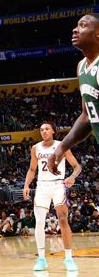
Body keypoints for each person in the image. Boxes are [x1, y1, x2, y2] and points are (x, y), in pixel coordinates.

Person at [24, 122, 81, 272]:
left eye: (47, 129)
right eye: (41, 130)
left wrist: (73, 177)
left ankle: (68, 258)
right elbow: (32, 169)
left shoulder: (62, 145)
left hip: (58, 185)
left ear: (53, 131)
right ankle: (41, 258)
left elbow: (77, 166)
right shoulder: (35, 148)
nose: (44, 131)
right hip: (42, 186)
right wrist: (26, 185)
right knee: (39, 222)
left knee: (63, 218)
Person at [50, 14, 99, 172]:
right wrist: (61, 147)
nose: (75, 30)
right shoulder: (82, 66)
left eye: (83, 25)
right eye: (77, 25)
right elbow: (86, 116)